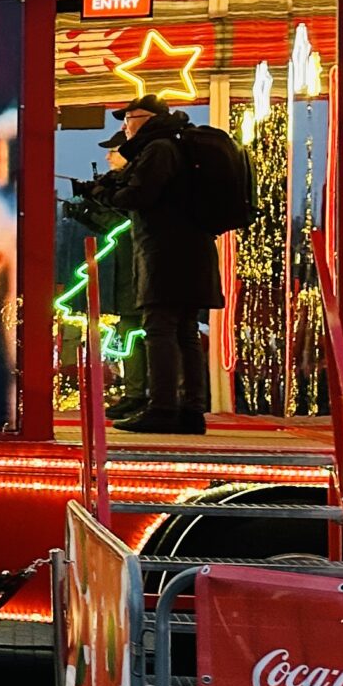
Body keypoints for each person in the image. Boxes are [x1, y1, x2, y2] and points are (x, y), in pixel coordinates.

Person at [89, 94, 220, 434]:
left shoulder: (158, 149)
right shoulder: (178, 146)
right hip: (192, 252)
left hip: (165, 253)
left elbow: (139, 196)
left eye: (128, 119)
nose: (124, 127)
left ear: (146, 118)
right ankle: (191, 410)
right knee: (185, 331)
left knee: (159, 328)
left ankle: (162, 408)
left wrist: (104, 194)